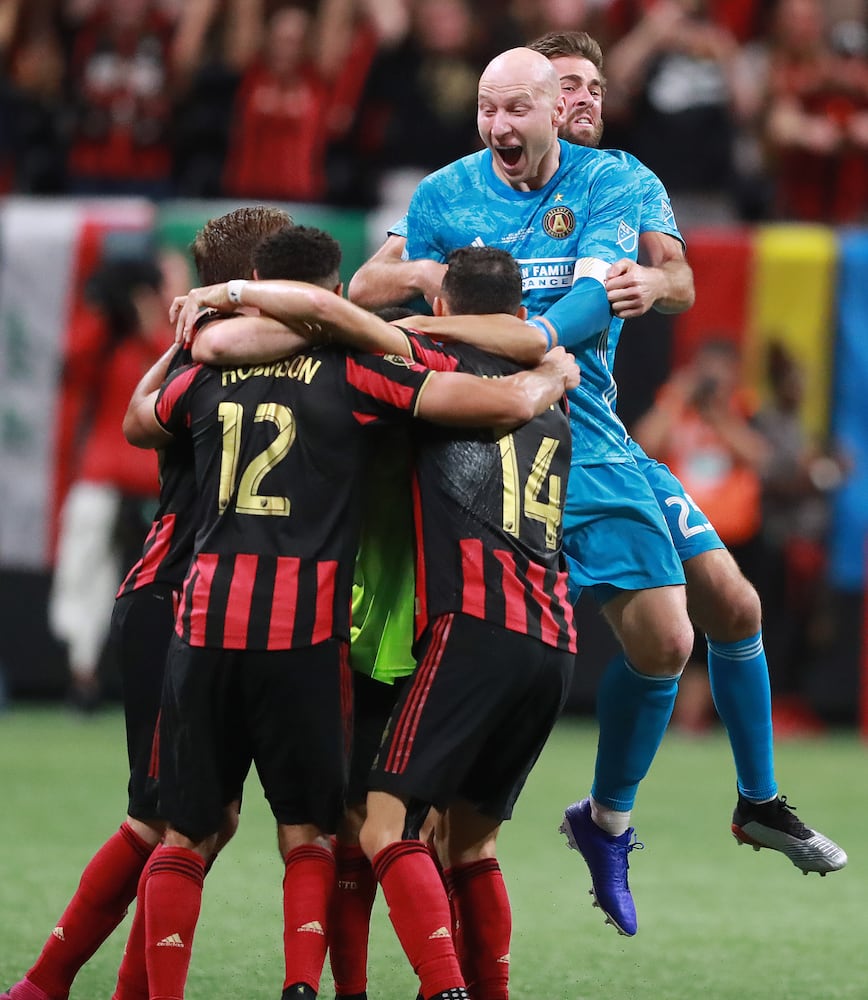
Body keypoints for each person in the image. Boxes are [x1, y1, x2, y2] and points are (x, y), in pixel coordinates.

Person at [346, 37, 846, 940]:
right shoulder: (448, 193)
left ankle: (633, 816)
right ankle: (408, 862)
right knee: (479, 673)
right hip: (481, 439)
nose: (574, 103)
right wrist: (427, 276)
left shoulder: (613, 180)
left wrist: (647, 284)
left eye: (583, 89)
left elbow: (646, 291)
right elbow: (365, 282)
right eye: (552, 88)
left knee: (693, 624)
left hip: (595, 435)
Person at [124, 226, 578, 1000]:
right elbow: (496, 395)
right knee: (444, 840)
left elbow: (147, 416)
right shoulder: (508, 390)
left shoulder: (345, 357)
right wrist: (548, 376)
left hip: (336, 622)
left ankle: (400, 989)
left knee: (333, 826)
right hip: (515, 630)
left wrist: (215, 307)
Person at [0, 205, 295, 1000]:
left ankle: (74, 987)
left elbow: (140, 416)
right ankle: (44, 984)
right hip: (177, 601)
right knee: (169, 821)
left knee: (201, 820)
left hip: (194, 601)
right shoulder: (232, 353)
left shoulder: (199, 356)